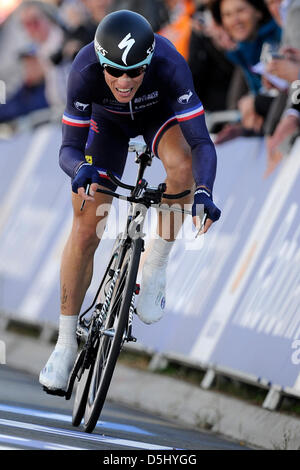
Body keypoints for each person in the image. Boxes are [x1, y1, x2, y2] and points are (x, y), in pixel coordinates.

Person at [39, 9, 221, 393]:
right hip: (107, 125)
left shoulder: (170, 63)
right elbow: (68, 148)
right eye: (115, 71)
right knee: (88, 227)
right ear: (101, 62)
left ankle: (154, 266)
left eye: (135, 71)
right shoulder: (84, 69)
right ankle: (66, 343)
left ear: (150, 60)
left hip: (158, 117)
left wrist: (204, 192)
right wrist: (78, 170)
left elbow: (202, 142)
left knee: (183, 168)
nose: (125, 81)